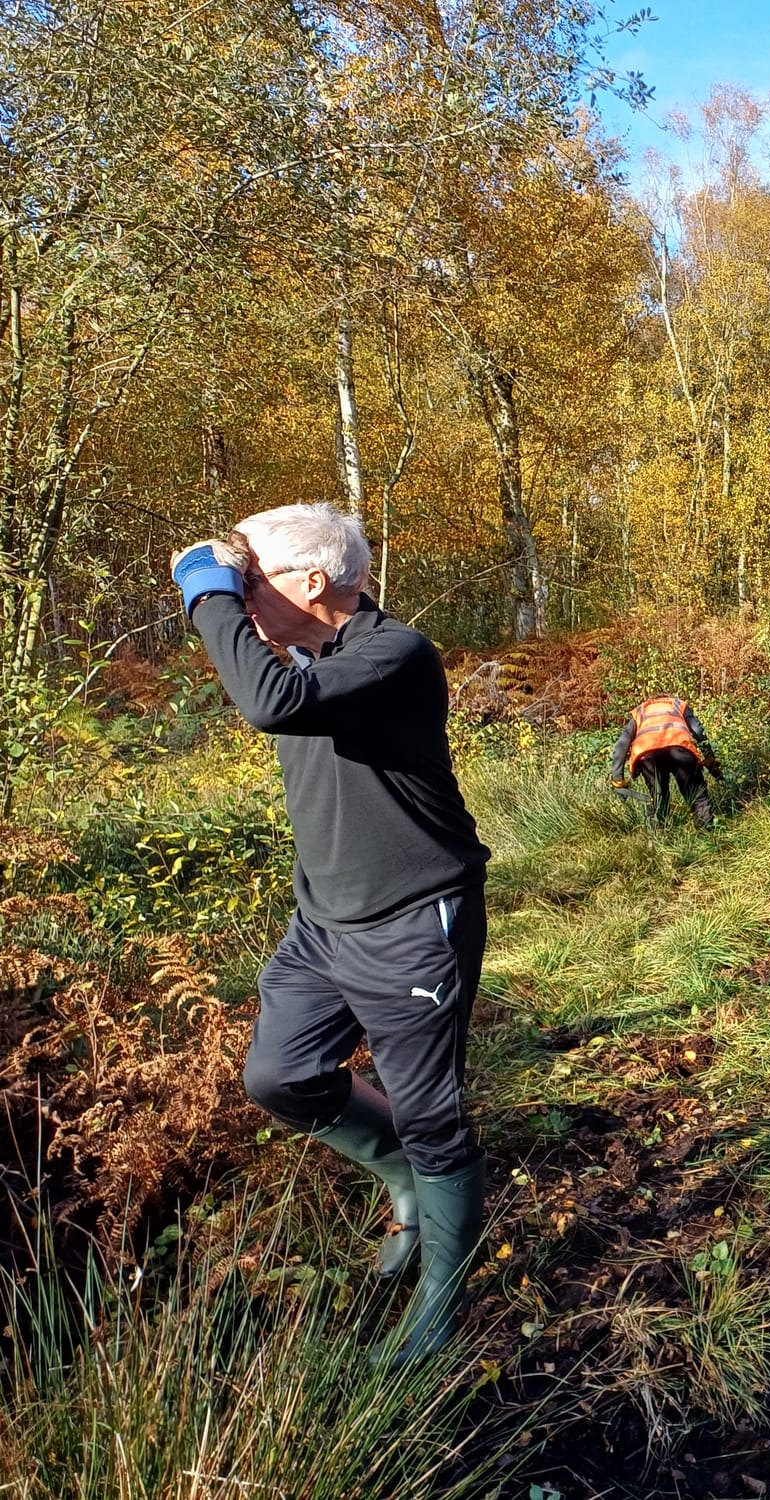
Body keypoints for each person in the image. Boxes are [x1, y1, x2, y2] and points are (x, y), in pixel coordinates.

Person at [170, 504, 489, 1365]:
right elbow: (267, 683)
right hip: (323, 924)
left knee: (431, 1115)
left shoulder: (394, 654)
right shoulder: (307, 656)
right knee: (279, 1075)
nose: (238, 592)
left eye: (252, 577)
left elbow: (269, 705)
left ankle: (440, 1306)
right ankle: (400, 1176)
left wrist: (207, 594)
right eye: (232, 580)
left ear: (313, 583)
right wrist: (230, 586)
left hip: (416, 920)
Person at [611, 693, 717, 826]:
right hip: (680, 750)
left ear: (652, 700)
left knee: (658, 798)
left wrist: (618, 778)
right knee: (696, 796)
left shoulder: (640, 711)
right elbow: (698, 731)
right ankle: (706, 831)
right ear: (667, 697)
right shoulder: (678, 705)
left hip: (648, 756)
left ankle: (659, 837)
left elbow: (622, 744)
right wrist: (710, 758)